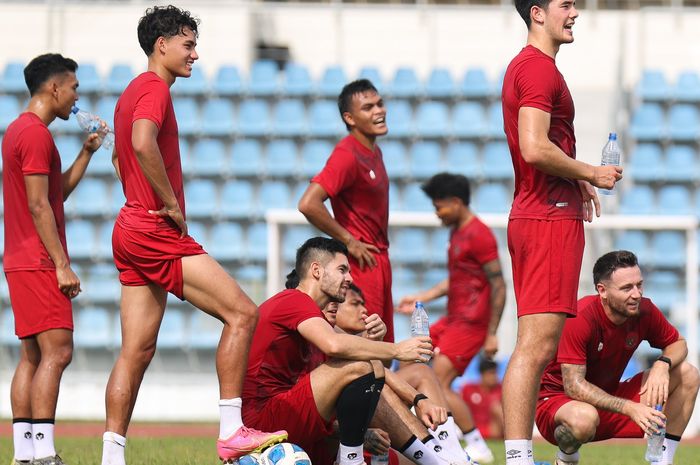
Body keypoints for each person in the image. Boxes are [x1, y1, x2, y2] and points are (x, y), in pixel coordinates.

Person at [101, 6, 286, 465]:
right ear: (161, 44)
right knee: (243, 313)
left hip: (128, 225)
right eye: (188, 44)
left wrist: (144, 195)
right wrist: (169, 203)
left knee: (136, 350)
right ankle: (231, 432)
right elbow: (142, 144)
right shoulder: (154, 90)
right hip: (152, 227)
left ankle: (111, 455)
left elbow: (121, 160)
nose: (195, 54)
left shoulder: (129, 92)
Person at [500, 2, 623, 463]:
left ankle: (521, 454)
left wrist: (574, 179)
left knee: (539, 344)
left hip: (547, 212)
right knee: (534, 347)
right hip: (545, 218)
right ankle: (517, 456)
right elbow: (534, 147)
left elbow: (542, 147)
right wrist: (590, 171)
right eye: (565, 4)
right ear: (537, 13)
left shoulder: (532, 66)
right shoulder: (538, 70)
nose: (575, 12)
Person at [243, 237, 441, 465]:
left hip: (306, 428)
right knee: (360, 366)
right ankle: (353, 459)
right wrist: (397, 350)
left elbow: (374, 368)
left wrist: (417, 398)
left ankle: (438, 457)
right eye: (342, 269)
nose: (350, 277)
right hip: (267, 424)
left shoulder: (316, 320)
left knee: (411, 462)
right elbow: (336, 346)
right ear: (316, 271)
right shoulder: (295, 300)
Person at [2, 53, 104, 465]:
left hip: (21, 256)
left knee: (33, 355)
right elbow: (40, 207)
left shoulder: (20, 131)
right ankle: (43, 454)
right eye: (74, 88)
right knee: (59, 351)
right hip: (38, 259)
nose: (77, 97)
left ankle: (24, 453)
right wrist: (61, 263)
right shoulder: (36, 135)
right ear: (54, 87)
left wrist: (86, 152)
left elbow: (52, 193)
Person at [535, 250, 700, 465]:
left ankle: (662, 461)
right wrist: (630, 408)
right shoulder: (580, 317)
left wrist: (662, 363)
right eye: (626, 288)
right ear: (602, 291)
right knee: (584, 419)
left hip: (609, 399)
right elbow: (573, 386)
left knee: (687, 373)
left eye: (639, 285)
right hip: (560, 405)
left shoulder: (644, 309)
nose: (637, 294)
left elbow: (679, 343)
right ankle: (566, 459)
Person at [398, 172, 505, 463]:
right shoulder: (456, 232)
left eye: (439, 207)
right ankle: (431, 433)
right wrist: (422, 296)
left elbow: (498, 283)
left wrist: (492, 332)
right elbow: (456, 279)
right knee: (409, 360)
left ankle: (473, 443)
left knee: (439, 381)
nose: (437, 213)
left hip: (471, 323)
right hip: (453, 318)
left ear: (456, 202)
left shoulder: (480, 235)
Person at [326, 284, 475, 465]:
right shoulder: (322, 335)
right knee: (375, 386)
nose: (364, 309)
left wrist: (375, 342)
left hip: (361, 429)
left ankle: (451, 454)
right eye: (355, 304)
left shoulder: (351, 336)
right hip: (338, 437)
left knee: (420, 372)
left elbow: (382, 370)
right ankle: (456, 451)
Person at [298, 79, 394, 342]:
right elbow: (308, 203)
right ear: (349, 118)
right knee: (369, 343)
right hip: (362, 263)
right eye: (368, 107)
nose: (379, 111)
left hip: (378, 259)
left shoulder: (374, 151)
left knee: (383, 346)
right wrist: (349, 241)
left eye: (380, 104)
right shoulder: (347, 154)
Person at [461, 359, 504, 440]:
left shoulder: (501, 389)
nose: (494, 377)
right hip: (472, 428)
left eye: (495, 373)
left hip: (495, 429)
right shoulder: (469, 389)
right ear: (482, 374)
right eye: (491, 373)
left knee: (497, 408)